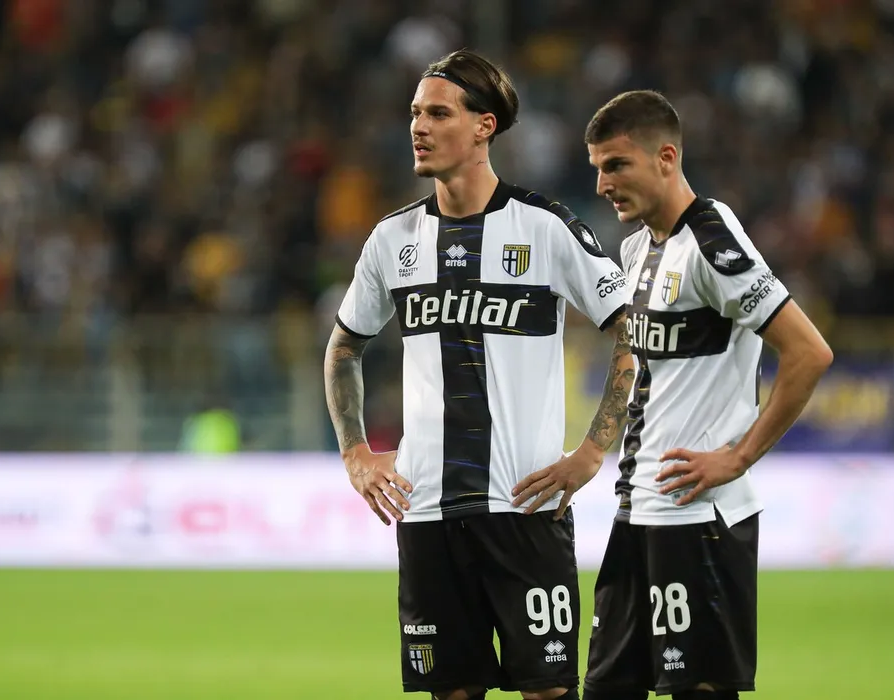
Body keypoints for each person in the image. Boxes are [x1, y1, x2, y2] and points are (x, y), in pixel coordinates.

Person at [323, 49, 634, 700]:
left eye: (438, 113)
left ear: (484, 126)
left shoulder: (545, 227)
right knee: (452, 692)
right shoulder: (392, 239)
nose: (419, 126)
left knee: (548, 691)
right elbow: (344, 347)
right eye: (415, 113)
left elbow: (634, 334)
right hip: (427, 511)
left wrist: (592, 452)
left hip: (524, 507)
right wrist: (355, 453)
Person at [566, 90, 834, 700]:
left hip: (699, 520)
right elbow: (636, 361)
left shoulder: (711, 243)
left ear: (666, 157)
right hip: (638, 510)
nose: (603, 184)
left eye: (617, 165)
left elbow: (808, 352)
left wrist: (738, 457)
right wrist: (592, 449)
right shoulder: (638, 247)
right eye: (598, 169)